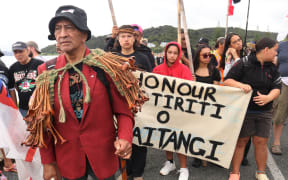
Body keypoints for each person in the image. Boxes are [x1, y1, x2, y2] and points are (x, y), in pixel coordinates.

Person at [38, 5, 134, 180]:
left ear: (84, 34)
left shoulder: (105, 66)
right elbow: (43, 122)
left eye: (69, 27)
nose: (62, 34)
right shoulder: (47, 71)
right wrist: (48, 162)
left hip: (103, 156)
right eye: (57, 29)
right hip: (68, 160)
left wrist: (125, 137)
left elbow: (123, 112)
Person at [224, 37, 281, 180]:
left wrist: (268, 98)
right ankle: (235, 173)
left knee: (261, 142)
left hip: (265, 112)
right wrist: (241, 85)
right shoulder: (244, 63)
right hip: (244, 112)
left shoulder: (273, 67)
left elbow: (277, 88)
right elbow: (227, 80)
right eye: (275, 50)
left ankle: (261, 172)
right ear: (266, 49)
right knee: (241, 142)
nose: (276, 54)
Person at [113, 25, 151, 180]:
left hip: (139, 105)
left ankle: (138, 174)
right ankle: (126, 171)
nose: (126, 39)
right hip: (119, 104)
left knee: (140, 142)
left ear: (135, 38)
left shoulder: (142, 58)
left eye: (129, 36)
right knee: (121, 139)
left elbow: (152, 80)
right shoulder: (113, 57)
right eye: (122, 36)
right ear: (118, 39)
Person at [153, 42, 193, 180]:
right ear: (165, 53)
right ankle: (170, 162)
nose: (172, 55)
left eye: (175, 53)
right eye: (169, 52)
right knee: (166, 137)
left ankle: (183, 168)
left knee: (180, 138)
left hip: (179, 111)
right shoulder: (157, 69)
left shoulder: (184, 70)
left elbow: (190, 91)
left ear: (179, 54)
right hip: (163, 110)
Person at [191, 44, 220, 168]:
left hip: (209, 107)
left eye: (210, 55)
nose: (208, 57)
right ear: (198, 56)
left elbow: (216, 90)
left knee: (210, 132)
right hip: (195, 107)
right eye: (205, 55)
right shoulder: (191, 71)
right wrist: (190, 81)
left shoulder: (214, 71)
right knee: (196, 131)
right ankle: (197, 156)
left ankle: (209, 154)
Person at [8, 41, 43, 117]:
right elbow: (12, 89)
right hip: (23, 108)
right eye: (15, 52)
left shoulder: (39, 64)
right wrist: (14, 110)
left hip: (39, 107)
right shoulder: (12, 68)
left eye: (21, 51)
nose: (18, 54)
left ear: (27, 51)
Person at [271, 40, 288, 155]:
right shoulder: (282, 45)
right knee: (279, 114)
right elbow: (274, 61)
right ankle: (276, 143)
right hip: (284, 81)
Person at [0, 58, 17, 173]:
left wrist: (14, 109)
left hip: (6, 107)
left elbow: (12, 90)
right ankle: (6, 163)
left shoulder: (5, 70)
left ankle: (10, 162)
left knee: (7, 135)